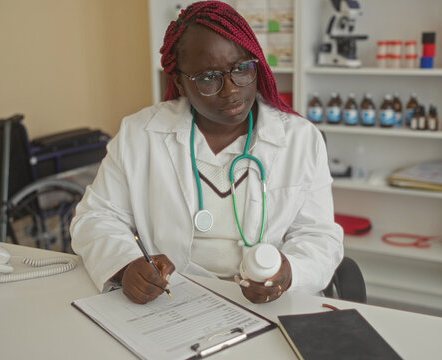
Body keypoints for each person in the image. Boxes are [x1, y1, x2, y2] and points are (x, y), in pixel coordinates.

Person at [70, 1, 343, 305]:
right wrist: (125, 265)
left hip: (271, 306)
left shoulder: (300, 139)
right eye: (208, 77)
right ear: (180, 82)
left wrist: (289, 273)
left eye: (241, 69)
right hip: (171, 302)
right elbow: (96, 217)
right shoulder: (140, 135)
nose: (230, 90)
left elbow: (319, 236)